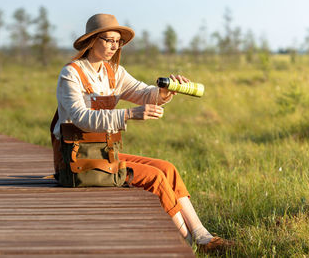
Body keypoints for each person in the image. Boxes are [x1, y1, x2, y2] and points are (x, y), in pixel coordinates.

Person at [51, 13, 233, 253]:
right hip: (76, 161)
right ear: (91, 40)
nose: (114, 46)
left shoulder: (113, 72)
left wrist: (165, 92)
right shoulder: (71, 74)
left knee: (167, 168)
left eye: (118, 41)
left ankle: (203, 236)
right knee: (155, 178)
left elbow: (144, 93)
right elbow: (81, 119)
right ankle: (189, 245)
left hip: (103, 155)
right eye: (108, 40)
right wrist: (128, 114)